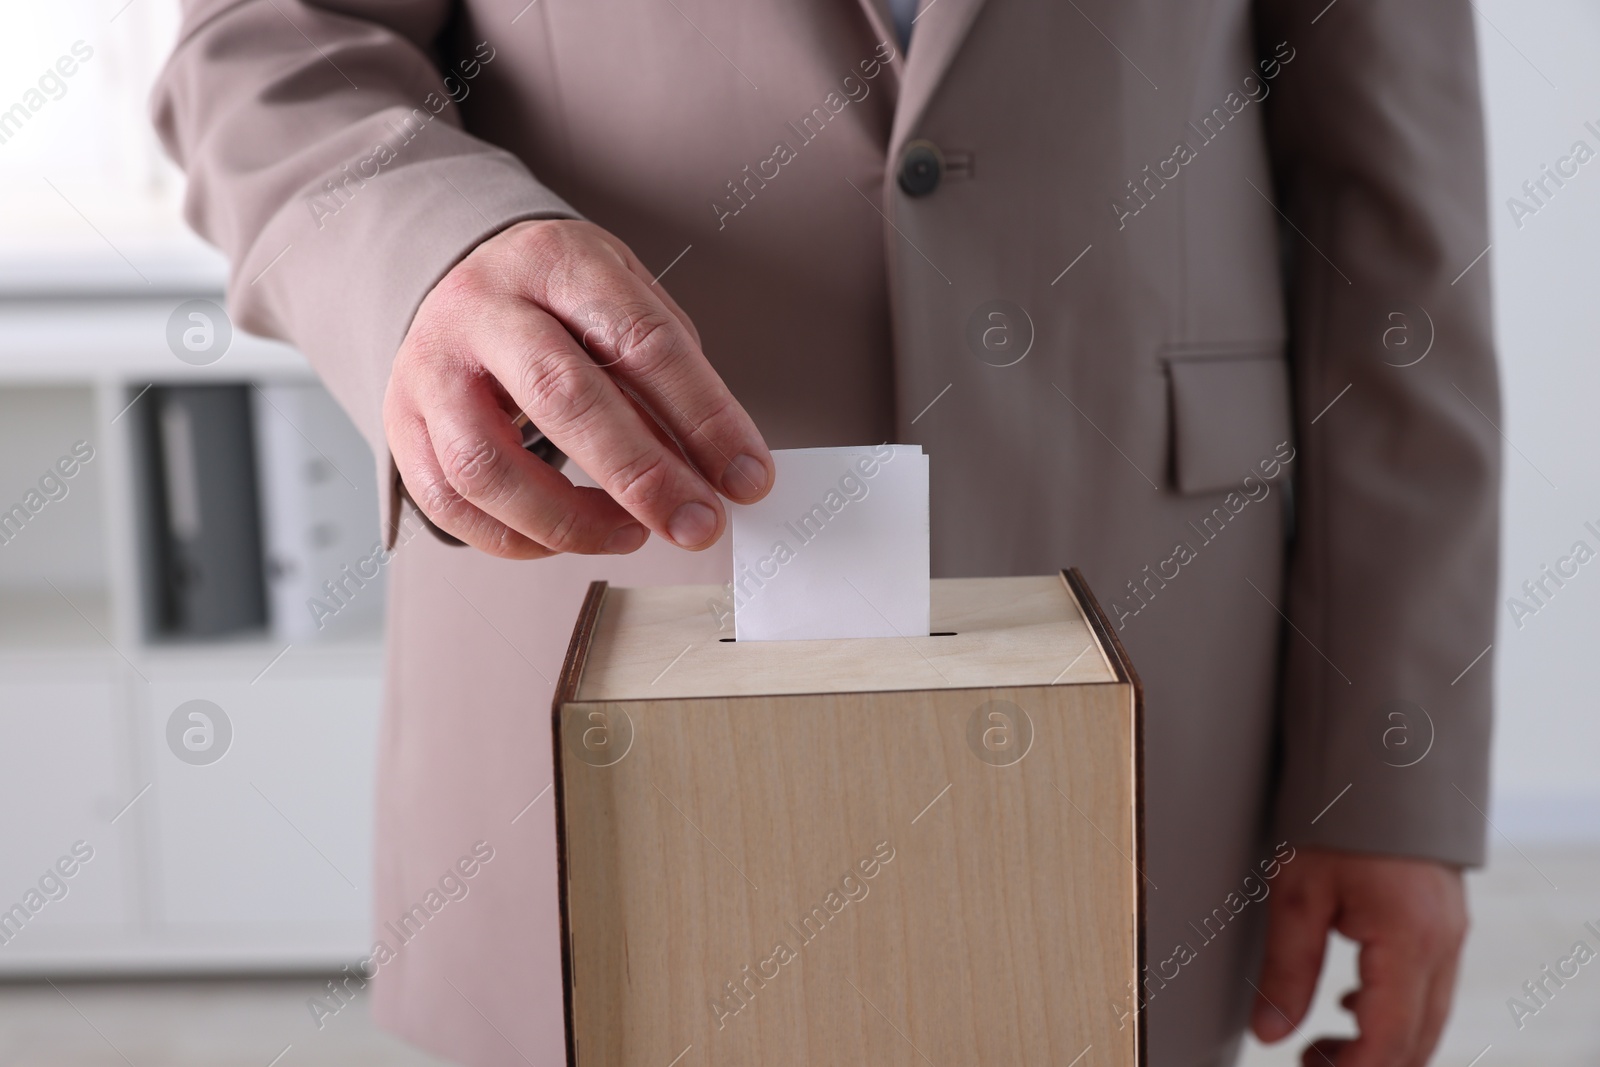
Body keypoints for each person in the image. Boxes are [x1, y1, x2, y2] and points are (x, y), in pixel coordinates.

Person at [153, 1, 1498, 1064]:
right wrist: (422, 248)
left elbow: (1395, 230)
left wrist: (1389, 770)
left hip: (1142, 640)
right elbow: (265, 42)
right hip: (602, 614)